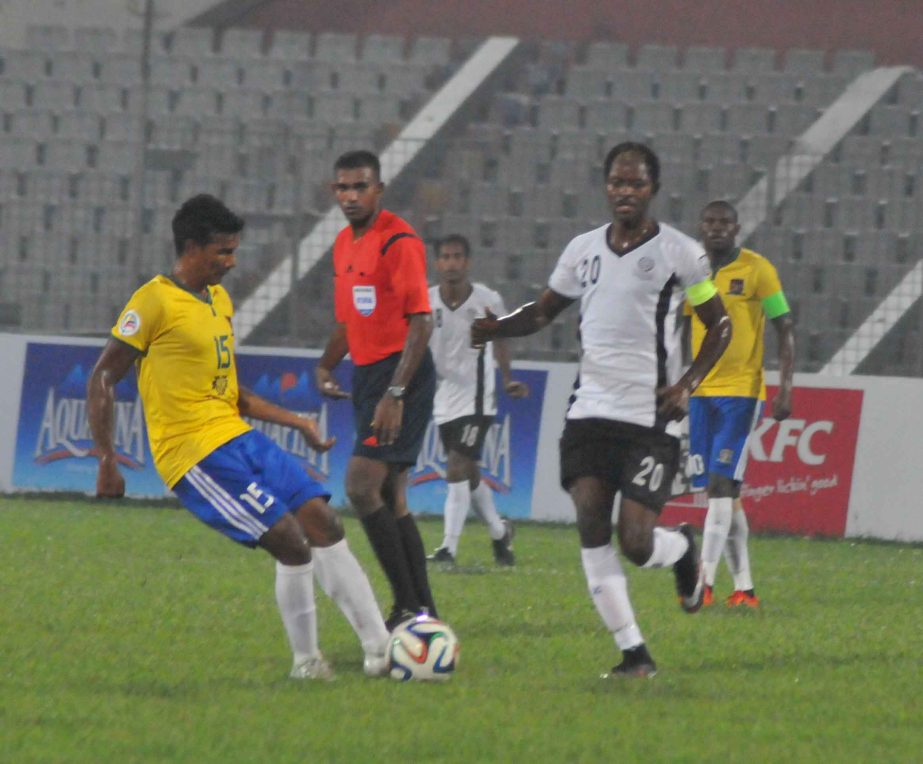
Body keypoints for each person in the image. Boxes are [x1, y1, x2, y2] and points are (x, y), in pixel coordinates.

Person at [87, 194, 391, 681]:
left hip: (236, 436)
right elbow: (102, 377)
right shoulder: (154, 300)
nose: (231, 262)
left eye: (233, 251)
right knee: (291, 543)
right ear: (190, 247)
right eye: (222, 252)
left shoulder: (219, 301)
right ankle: (307, 663)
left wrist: (298, 423)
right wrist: (107, 458)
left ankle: (382, 650)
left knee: (324, 523)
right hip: (193, 453)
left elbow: (231, 393)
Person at [471, 142, 732, 678]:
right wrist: (498, 327)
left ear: (652, 189)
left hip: (650, 417)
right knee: (590, 518)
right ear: (606, 186)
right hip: (589, 408)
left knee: (635, 542)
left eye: (635, 184)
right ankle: (634, 652)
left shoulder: (680, 253)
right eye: (616, 182)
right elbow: (543, 311)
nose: (624, 192)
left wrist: (687, 382)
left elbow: (720, 325)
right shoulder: (582, 249)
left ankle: (679, 550)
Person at [316, 150, 439, 631]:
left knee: (361, 486)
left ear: (378, 190)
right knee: (392, 496)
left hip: (400, 374)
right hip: (368, 376)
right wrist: (327, 364)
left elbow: (422, 322)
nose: (350, 196)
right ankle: (422, 610)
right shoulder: (344, 244)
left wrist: (396, 393)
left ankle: (408, 606)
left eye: (360, 187)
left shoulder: (399, 241)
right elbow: (350, 319)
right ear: (334, 192)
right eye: (343, 188)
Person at [686, 199, 795, 608]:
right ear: (701, 226)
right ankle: (745, 589)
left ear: (736, 228)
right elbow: (685, 326)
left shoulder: (757, 269)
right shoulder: (693, 271)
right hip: (701, 394)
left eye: (724, 223)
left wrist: (786, 387)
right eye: (709, 221)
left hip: (741, 393)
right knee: (725, 493)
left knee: (717, 485)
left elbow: (785, 325)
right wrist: (682, 384)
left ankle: (704, 584)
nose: (716, 228)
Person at [425, 234, 529, 567]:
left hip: (478, 396)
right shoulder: (427, 301)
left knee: (456, 466)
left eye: (457, 256)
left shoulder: (487, 300)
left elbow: (500, 340)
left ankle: (448, 549)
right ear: (437, 263)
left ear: (467, 262)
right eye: (445, 257)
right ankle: (500, 534)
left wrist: (508, 377)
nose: (452, 263)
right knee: (467, 473)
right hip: (445, 396)